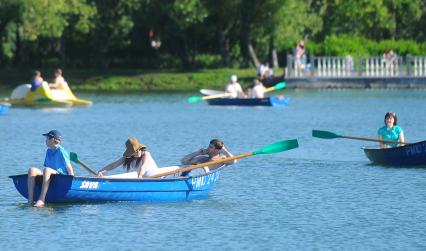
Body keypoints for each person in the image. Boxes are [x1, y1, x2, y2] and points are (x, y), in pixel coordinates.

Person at [27, 130, 74, 207]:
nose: (45, 141)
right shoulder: (48, 151)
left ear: (52, 139)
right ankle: (30, 200)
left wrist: (72, 179)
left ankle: (42, 199)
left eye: (47, 138)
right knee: (32, 170)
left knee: (47, 169)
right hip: (50, 174)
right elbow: (47, 166)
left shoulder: (61, 151)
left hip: (60, 175)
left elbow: (69, 166)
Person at [97, 137, 179, 178]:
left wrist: (140, 176)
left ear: (140, 148)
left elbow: (144, 166)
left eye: (137, 150)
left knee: (175, 168)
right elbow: (113, 165)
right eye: (133, 152)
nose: (136, 153)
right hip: (143, 178)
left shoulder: (146, 154)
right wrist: (101, 171)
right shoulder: (128, 157)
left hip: (156, 176)